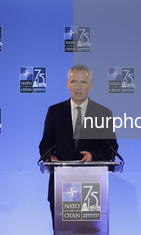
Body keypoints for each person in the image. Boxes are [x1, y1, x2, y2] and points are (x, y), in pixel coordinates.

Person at [38, 65, 119, 226]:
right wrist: (49, 157)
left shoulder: (103, 113)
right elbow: (45, 145)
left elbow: (111, 148)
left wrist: (93, 155)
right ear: (68, 84)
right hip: (61, 188)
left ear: (91, 85)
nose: (78, 86)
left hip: (91, 188)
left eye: (83, 82)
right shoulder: (55, 112)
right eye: (74, 81)